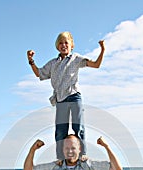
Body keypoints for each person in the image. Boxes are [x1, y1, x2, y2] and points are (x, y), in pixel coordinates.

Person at [26, 32, 105, 161]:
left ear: (71, 45)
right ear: (57, 47)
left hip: (74, 96)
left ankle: (82, 154)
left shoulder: (76, 59)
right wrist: (31, 60)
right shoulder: (53, 63)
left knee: (78, 126)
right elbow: (38, 73)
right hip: (60, 99)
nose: (63, 46)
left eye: (66, 43)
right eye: (61, 43)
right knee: (60, 130)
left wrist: (102, 50)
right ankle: (60, 158)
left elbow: (96, 64)